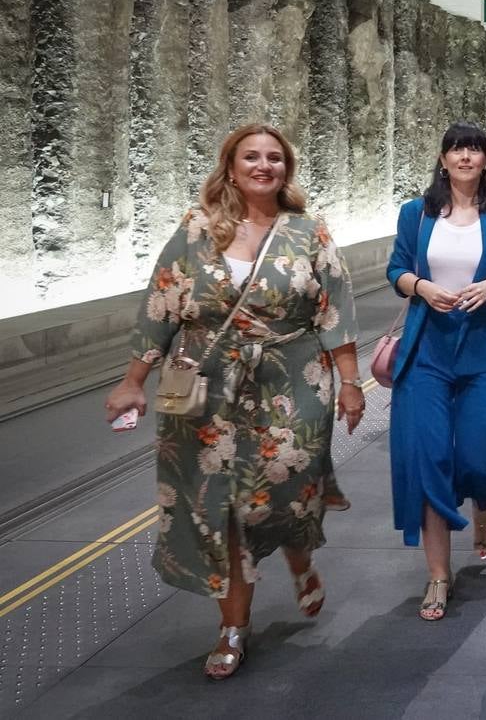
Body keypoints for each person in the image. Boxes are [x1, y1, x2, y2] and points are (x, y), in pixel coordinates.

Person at [104, 124, 363, 680]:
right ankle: (232, 627)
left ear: (286, 169)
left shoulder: (307, 233)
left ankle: (299, 554)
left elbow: (335, 310)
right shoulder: (196, 229)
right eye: (251, 156)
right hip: (207, 389)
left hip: (291, 381)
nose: (263, 165)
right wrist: (132, 380)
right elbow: (160, 304)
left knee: (284, 489)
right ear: (231, 165)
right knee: (218, 507)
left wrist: (350, 382)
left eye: (274, 157)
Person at [386, 123, 486, 621]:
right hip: (428, 348)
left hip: (484, 349)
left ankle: (483, 504)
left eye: (473, 149)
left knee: (477, 451)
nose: (465, 157)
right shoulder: (416, 213)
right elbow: (396, 271)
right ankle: (438, 576)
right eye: (456, 149)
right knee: (430, 459)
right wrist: (422, 288)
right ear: (443, 158)